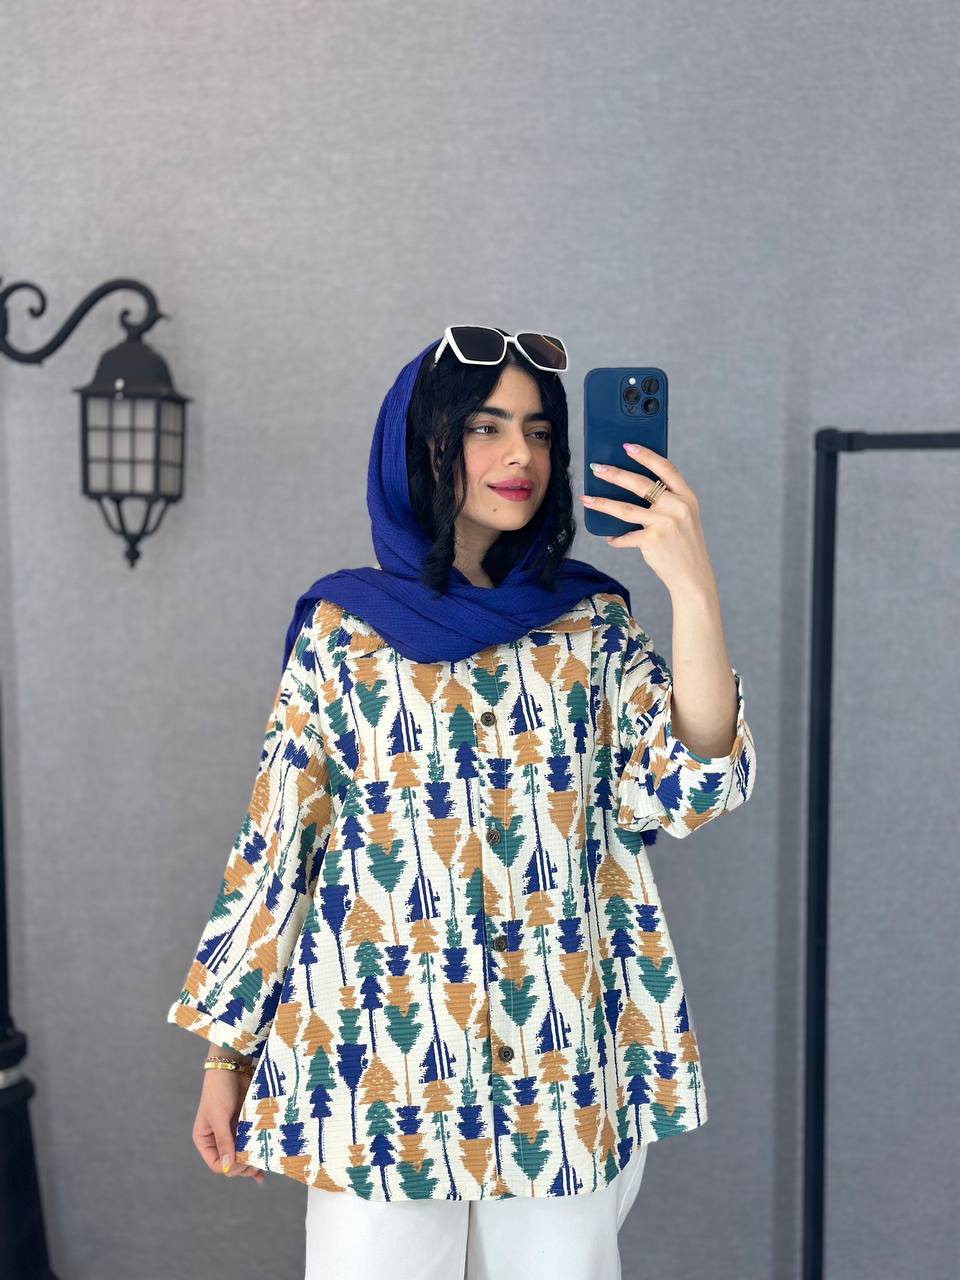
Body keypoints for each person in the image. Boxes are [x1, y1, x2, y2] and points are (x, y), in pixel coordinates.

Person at [166, 327, 757, 1279]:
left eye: (538, 430)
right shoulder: (342, 630)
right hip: (374, 1063)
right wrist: (224, 1057)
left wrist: (692, 586)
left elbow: (693, 786)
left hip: (558, 1065)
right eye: (486, 427)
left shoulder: (594, 624)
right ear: (422, 445)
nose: (520, 455)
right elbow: (278, 848)